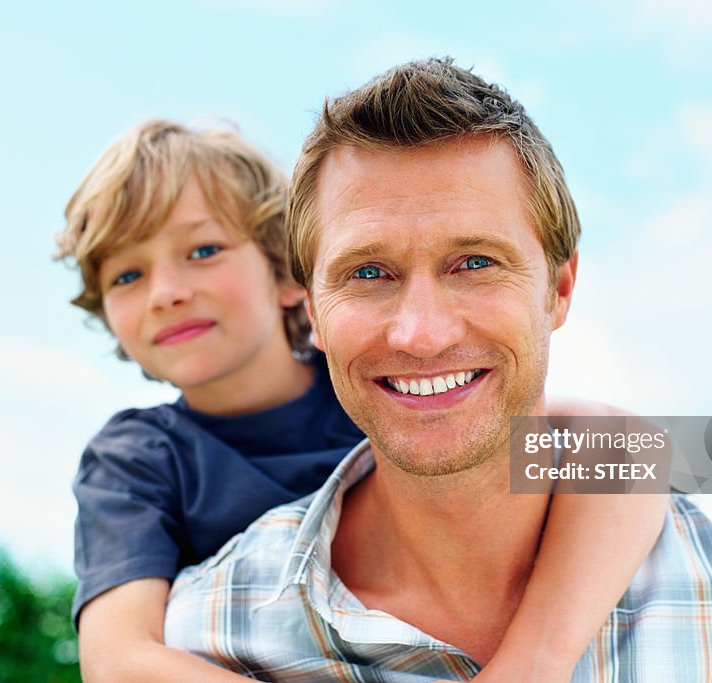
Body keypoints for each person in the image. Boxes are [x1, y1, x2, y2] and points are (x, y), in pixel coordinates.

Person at [163, 58, 712, 681]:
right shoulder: (209, 634)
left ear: (559, 289)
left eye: (475, 263)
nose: (421, 333)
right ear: (313, 312)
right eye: (369, 271)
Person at [56, 119, 667, 682]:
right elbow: (116, 661)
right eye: (126, 275)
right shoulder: (132, 458)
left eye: (203, 251)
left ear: (292, 277)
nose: (165, 292)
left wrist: (533, 660)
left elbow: (635, 447)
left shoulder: (379, 376)